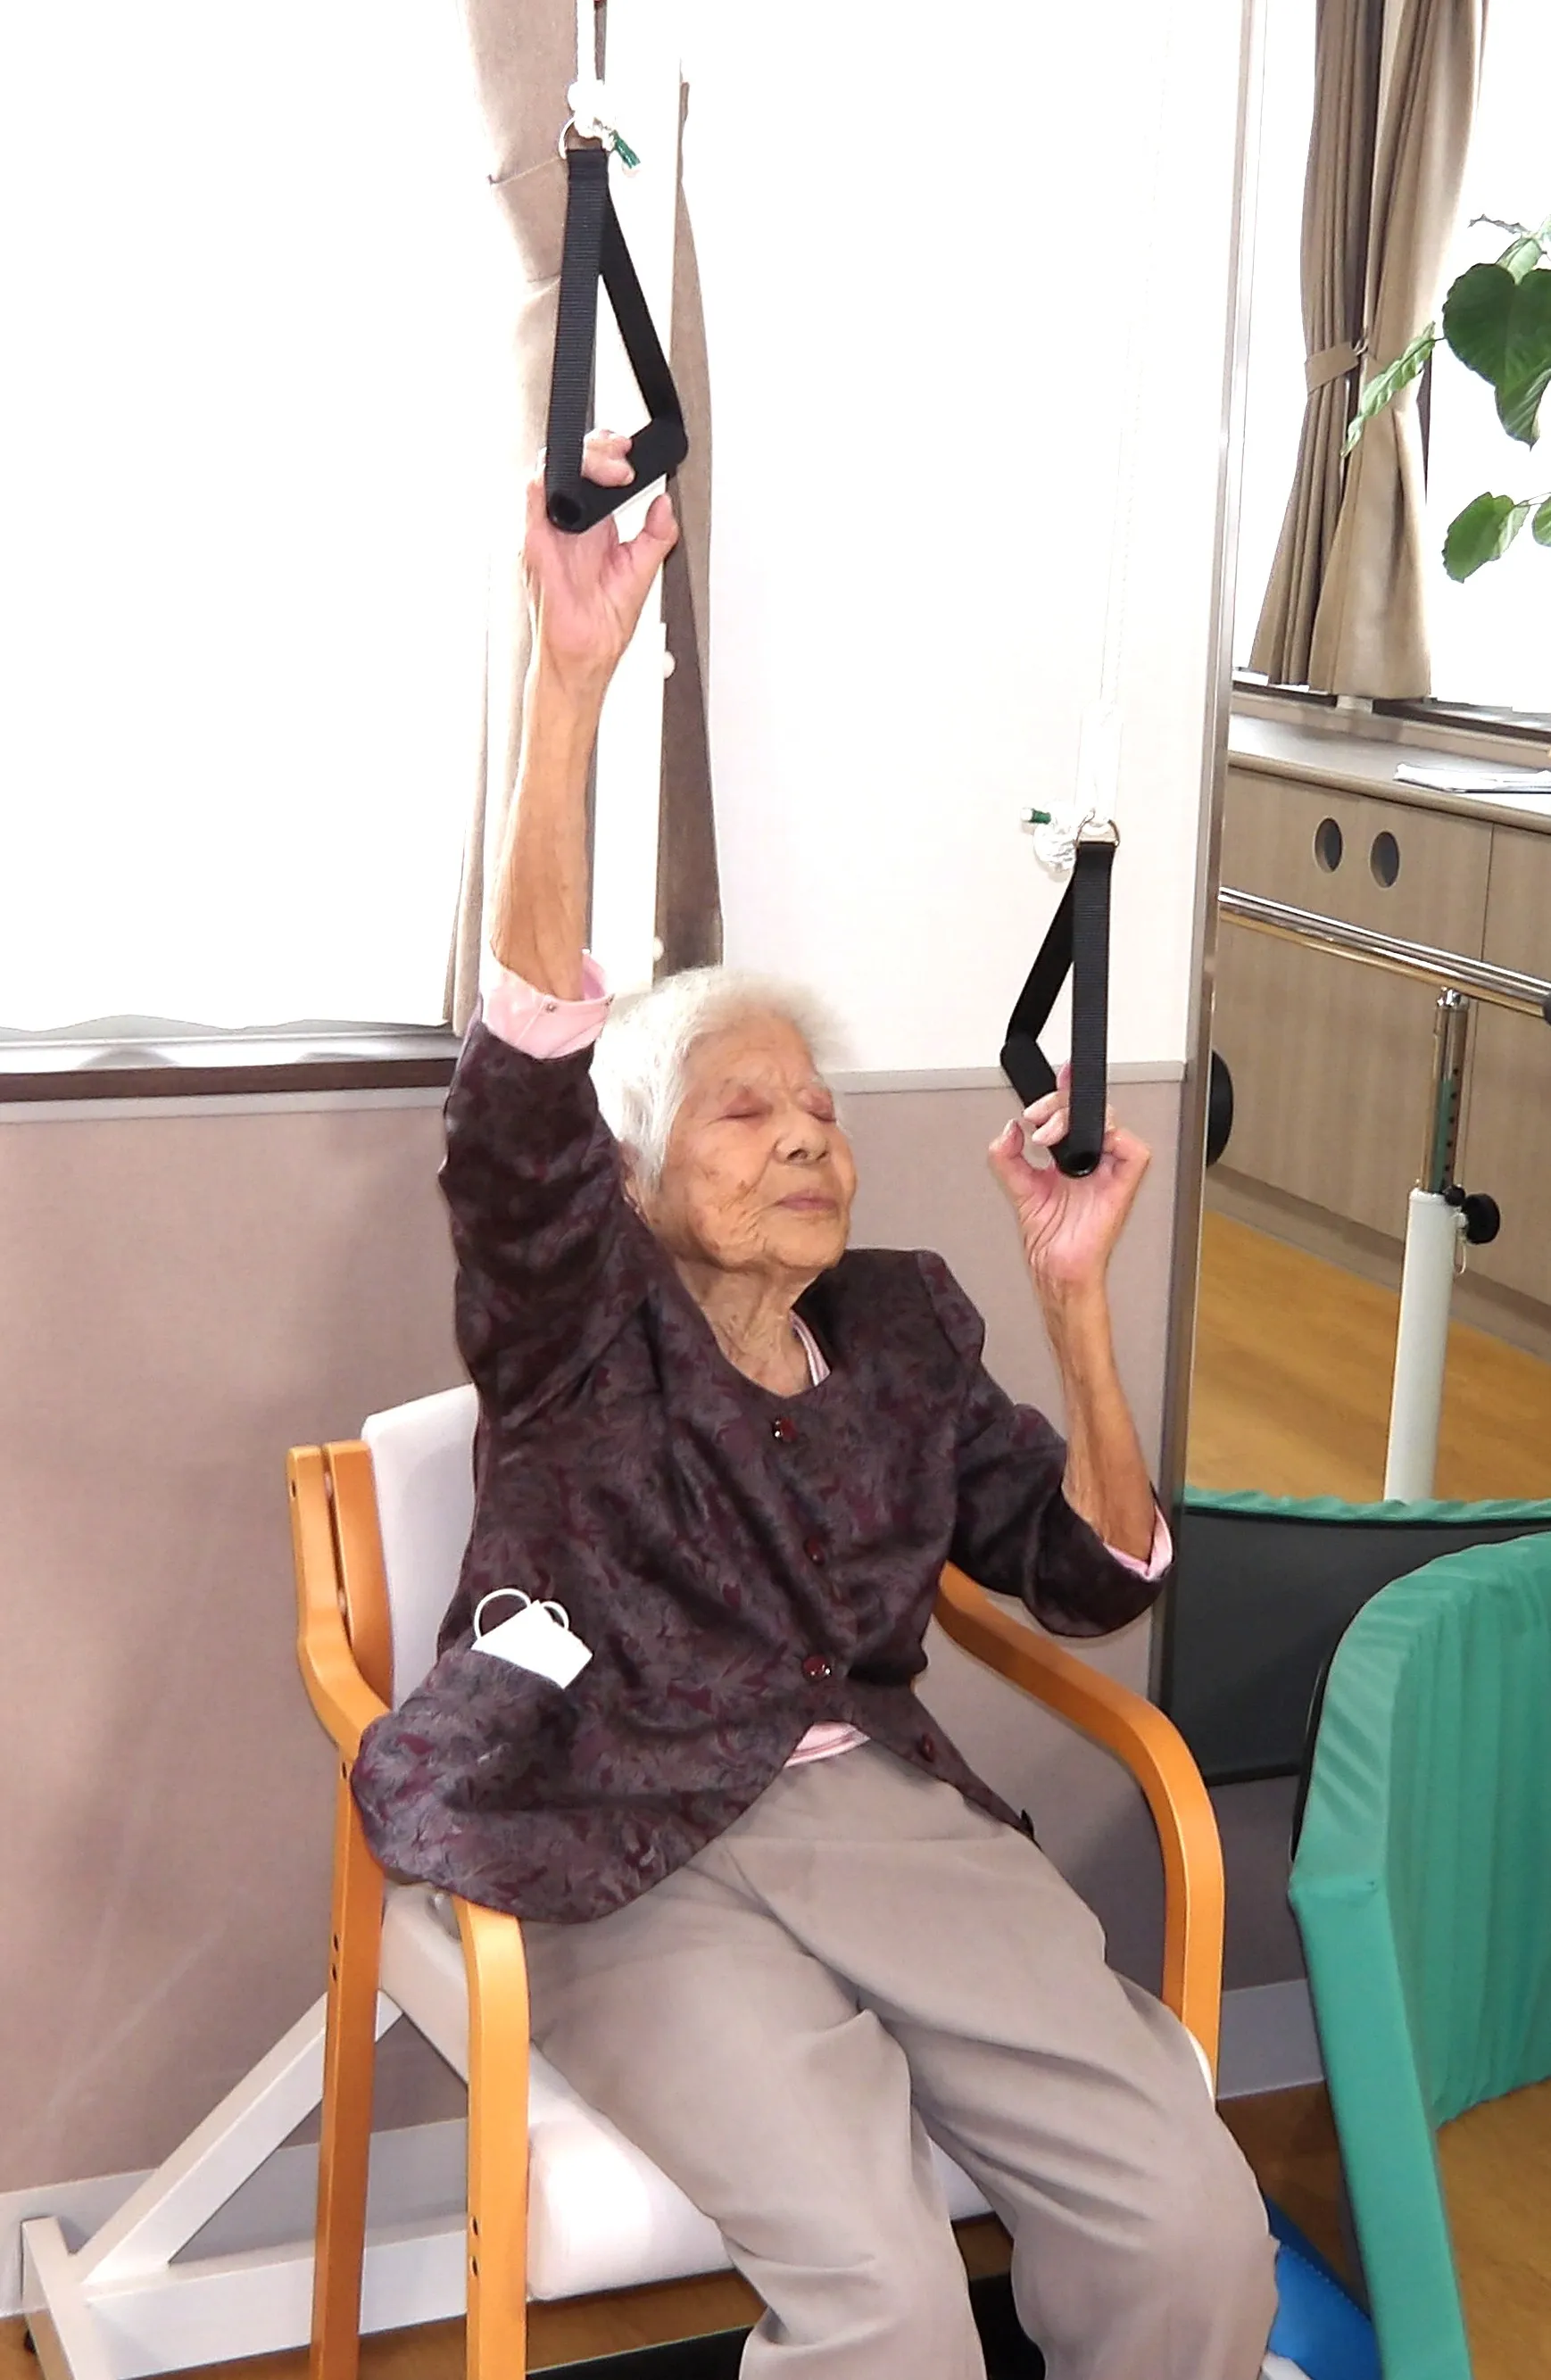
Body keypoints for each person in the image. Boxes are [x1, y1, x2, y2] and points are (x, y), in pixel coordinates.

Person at [352, 433, 1277, 2380]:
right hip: (618, 1829)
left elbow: (1093, 1577)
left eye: (825, 1112)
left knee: (1191, 2218)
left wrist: (1075, 1306)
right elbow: (522, 1072)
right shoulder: (574, 1314)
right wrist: (572, 683)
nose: (803, 1139)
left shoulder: (908, 1329)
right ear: (628, 1174)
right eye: (743, 1108)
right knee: (888, 2301)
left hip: (880, 1814)